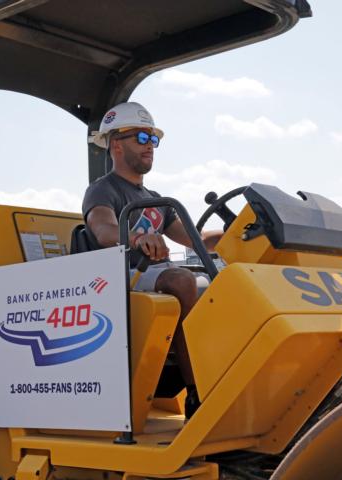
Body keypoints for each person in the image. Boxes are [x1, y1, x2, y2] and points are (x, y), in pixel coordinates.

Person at [82, 101, 222, 418]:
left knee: (222, 285)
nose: (150, 147)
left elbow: (196, 241)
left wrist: (238, 235)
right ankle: (199, 393)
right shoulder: (101, 191)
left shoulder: (155, 199)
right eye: (141, 138)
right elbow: (103, 229)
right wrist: (135, 237)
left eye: (153, 139)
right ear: (116, 145)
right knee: (182, 281)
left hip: (149, 275)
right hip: (119, 278)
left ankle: (227, 377)